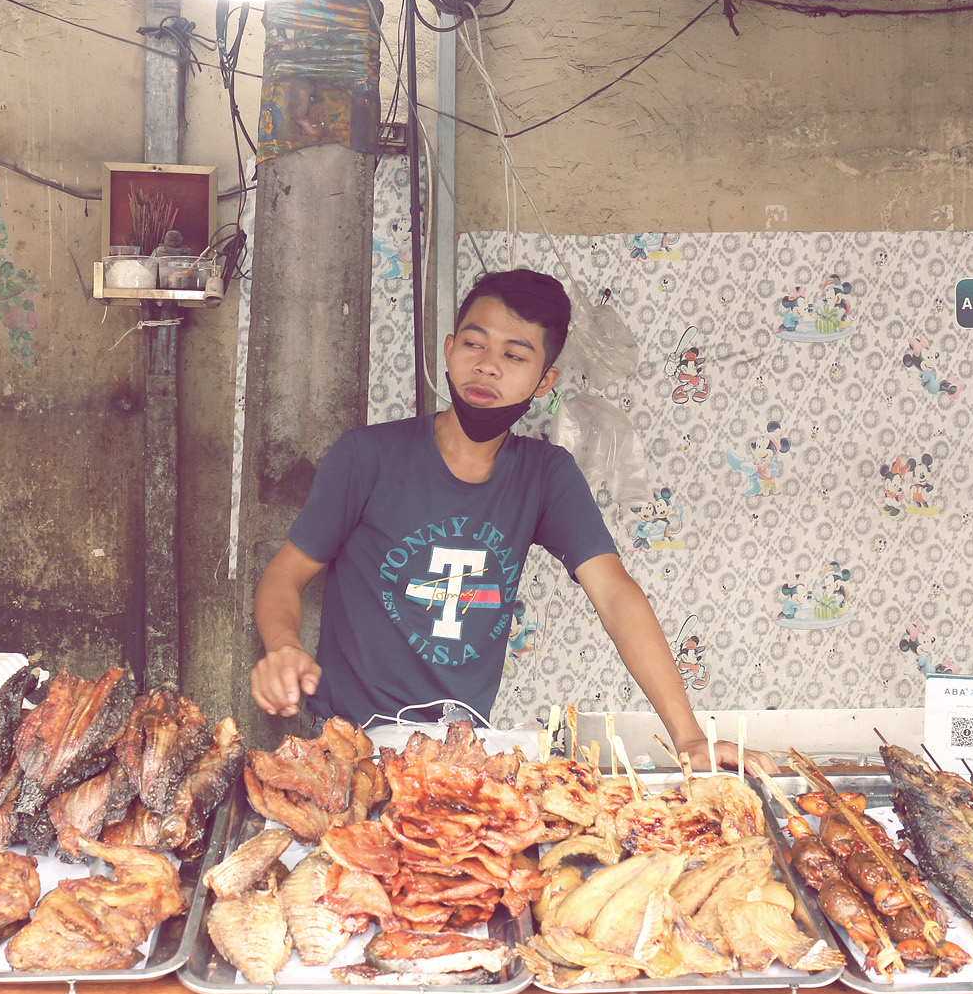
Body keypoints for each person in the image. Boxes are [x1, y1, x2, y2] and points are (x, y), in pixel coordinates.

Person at [249, 268, 753, 773]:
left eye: (515, 355)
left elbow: (616, 595)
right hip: (349, 747)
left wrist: (688, 737)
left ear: (544, 381)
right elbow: (284, 575)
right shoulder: (366, 456)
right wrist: (284, 647)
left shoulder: (545, 476)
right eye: (475, 344)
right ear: (448, 350)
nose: (488, 367)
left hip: (462, 756)